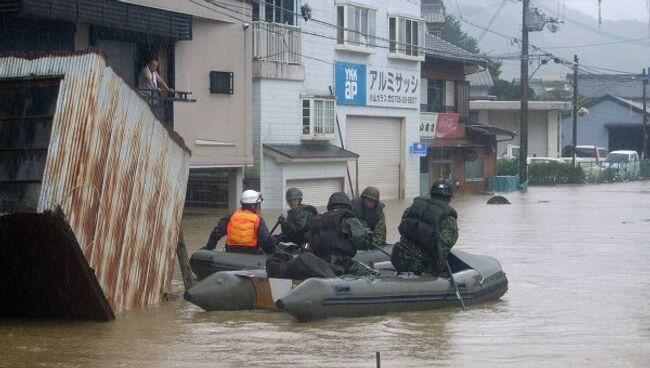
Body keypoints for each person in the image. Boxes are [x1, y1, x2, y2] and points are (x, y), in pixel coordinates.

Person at [392, 179, 459, 276]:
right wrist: (436, 273)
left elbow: (402, 231)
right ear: (448, 199)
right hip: (419, 267)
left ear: (431, 194)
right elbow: (441, 250)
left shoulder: (411, 209)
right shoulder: (448, 220)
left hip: (397, 257)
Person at [308, 192, 373, 276]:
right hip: (342, 263)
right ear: (348, 206)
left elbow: (309, 242)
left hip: (320, 264)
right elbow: (361, 243)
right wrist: (367, 239)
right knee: (372, 275)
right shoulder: (349, 220)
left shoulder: (317, 220)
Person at [201, 190, 275, 255]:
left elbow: (216, 233)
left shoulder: (231, 217)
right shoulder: (258, 220)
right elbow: (266, 241)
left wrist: (209, 247)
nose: (259, 207)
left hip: (231, 253)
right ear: (253, 206)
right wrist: (272, 253)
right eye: (258, 205)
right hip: (250, 255)